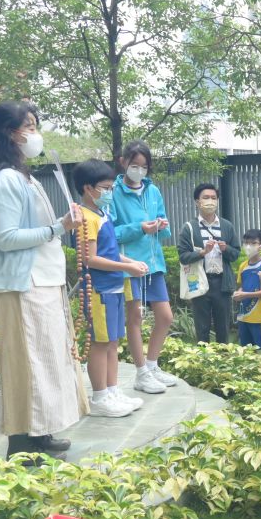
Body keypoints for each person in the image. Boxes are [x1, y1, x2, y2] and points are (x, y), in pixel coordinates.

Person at [0, 100, 86, 459]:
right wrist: (59, 227)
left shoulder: (20, 175)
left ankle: (41, 432)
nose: (36, 134)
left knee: (45, 361)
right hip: (23, 286)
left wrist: (59, 226)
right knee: (28, 364)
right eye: (31, 126)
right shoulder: (4, 179)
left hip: (38, 281)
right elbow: (7, 238)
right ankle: (21, 444)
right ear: (11, 133)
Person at [74, 160, 149, 418]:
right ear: (88, 188)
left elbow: (111, 252)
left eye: (110, 188)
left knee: (112, 341)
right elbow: (91, 259)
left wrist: (130, 262)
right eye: (105, 188)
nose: (109, 192)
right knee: (100, 343)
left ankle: (112, 391)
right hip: (99, 289)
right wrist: (127, 267)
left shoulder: (102, 214)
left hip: (114, 286)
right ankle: (99, 397)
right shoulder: (85, 218)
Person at [109, 140, 176, 395]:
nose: (139, 170)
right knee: (135, 317)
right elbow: (110, 233)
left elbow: (164, 229)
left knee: (165, 317)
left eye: (144, 166)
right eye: (134, 165)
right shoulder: (113, 192)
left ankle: (152, 365)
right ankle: (141, 373)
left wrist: (161, 226)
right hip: (129, 265)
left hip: (154, 263)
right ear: (123, 162)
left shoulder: (153, 190)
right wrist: (139, 228)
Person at [177, 183, 241, 344]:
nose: (210, 201)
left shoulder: (226, 226)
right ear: (197, 202)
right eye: (205, 197)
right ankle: (203, 357)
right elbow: (183, 256)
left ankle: (223, 357)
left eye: (213, 198)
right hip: (200, 282)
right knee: (202, 328)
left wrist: (226, 249)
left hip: (222, 283)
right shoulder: (189, 228)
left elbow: (236, 254)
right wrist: (202, 252)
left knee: (223, 328)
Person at [233, 229, 261, 353]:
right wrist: (238, 293)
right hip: (243, 314)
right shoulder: (243, 265)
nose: (249, 246)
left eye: (253, 243)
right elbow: (242, 286)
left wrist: (245, 295)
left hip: (259, 315)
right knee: (247, 349)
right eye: (246, 243)